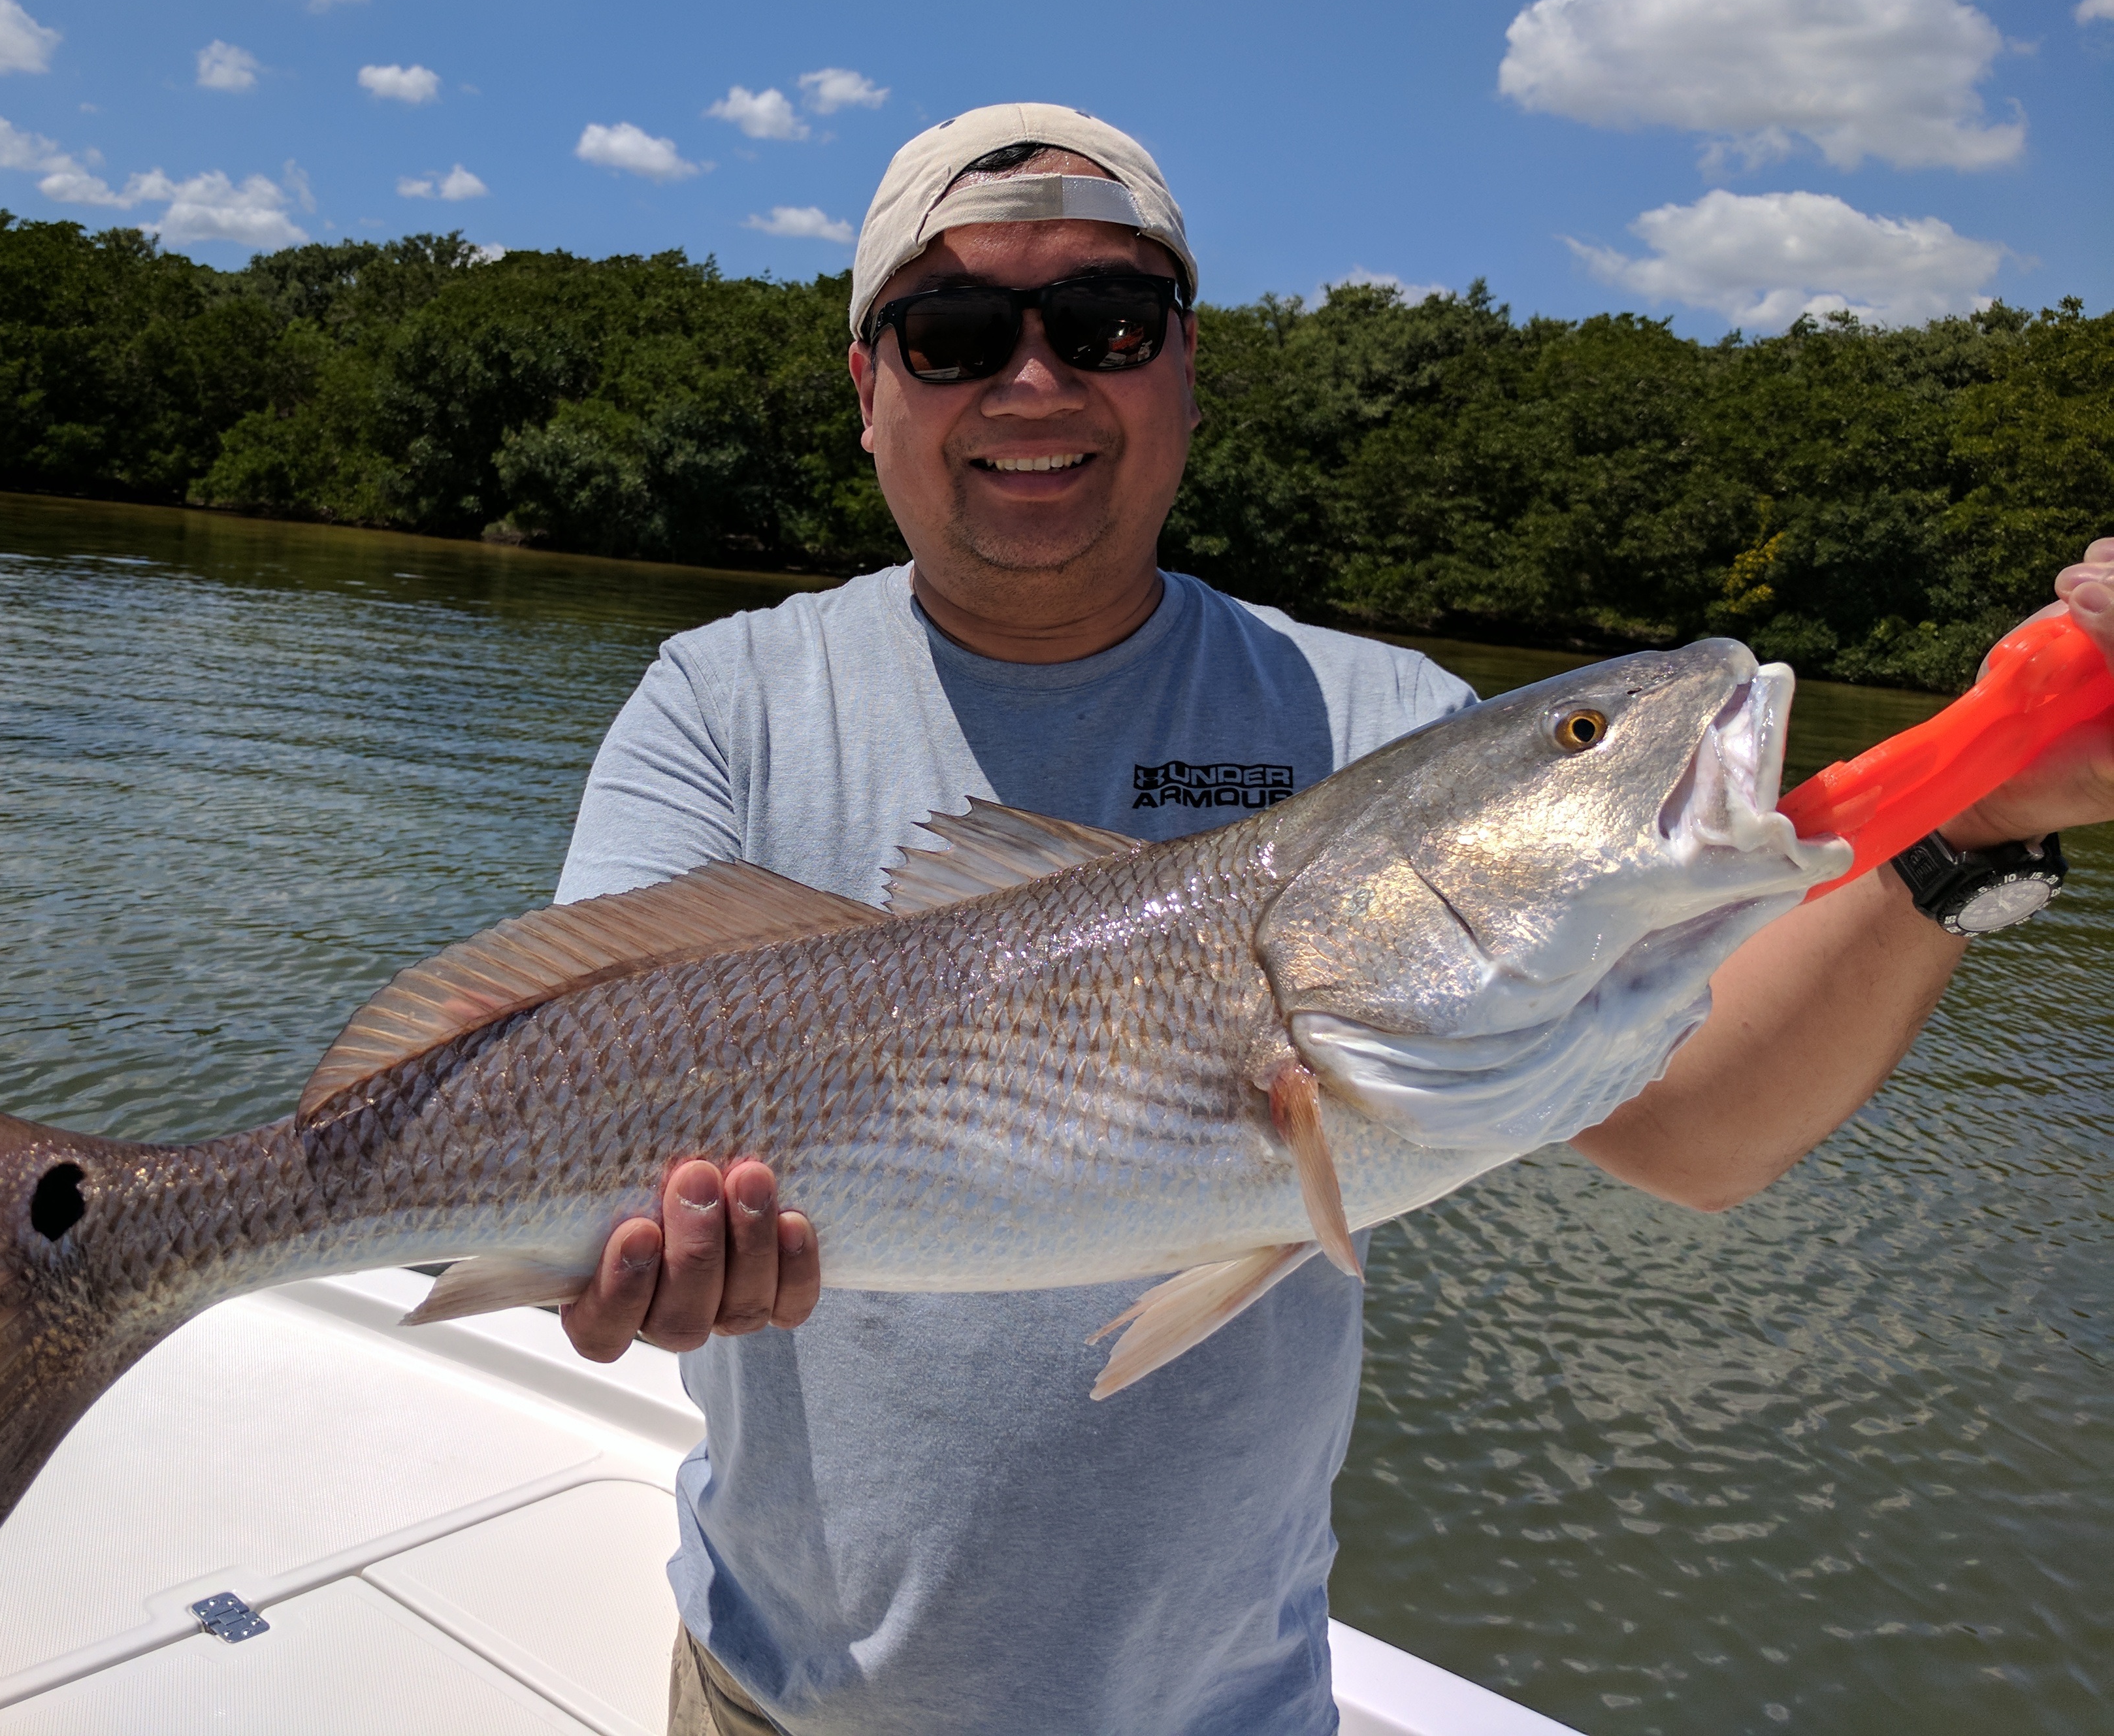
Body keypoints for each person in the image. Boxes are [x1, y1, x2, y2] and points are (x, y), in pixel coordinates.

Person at [545, 103, 2114, 1736]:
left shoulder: (1380, 723)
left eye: (1103, 324)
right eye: (948, 335)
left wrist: (1977, 817)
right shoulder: (717, 702)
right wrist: (626, 1257)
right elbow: (586, 1064)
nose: (1031, 382)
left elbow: (1697, 1137)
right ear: (867, 391)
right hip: (766, 1704)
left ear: (1182, 369)